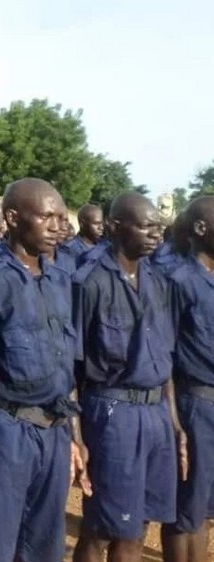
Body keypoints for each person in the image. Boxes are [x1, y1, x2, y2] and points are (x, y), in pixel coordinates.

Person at [0, 178, 90, 562]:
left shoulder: (60, 281)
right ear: (14, 218)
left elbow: (64, 368)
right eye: (46, 217)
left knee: (46, 543)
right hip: (9, 431)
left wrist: (74, 435)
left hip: (54, 430)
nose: (57, 226)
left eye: (60, 216)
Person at [72, 192, 183, 562]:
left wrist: (174, 423)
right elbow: (72, 367)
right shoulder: (89, 281)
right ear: (116, 226)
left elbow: (163, 357)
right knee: (103, 528)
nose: (156, 234)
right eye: (146, 225)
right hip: (112, 414)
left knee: (139, 527)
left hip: (155, 415)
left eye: (158, 226)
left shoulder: (158, 281)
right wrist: (77, 436)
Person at [162, 196, 214, 562]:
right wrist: (176, 422)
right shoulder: (179, 282)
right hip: (196, 405)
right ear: (200, 229)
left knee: (207, 508)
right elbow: (164, 356)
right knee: (187, 511)